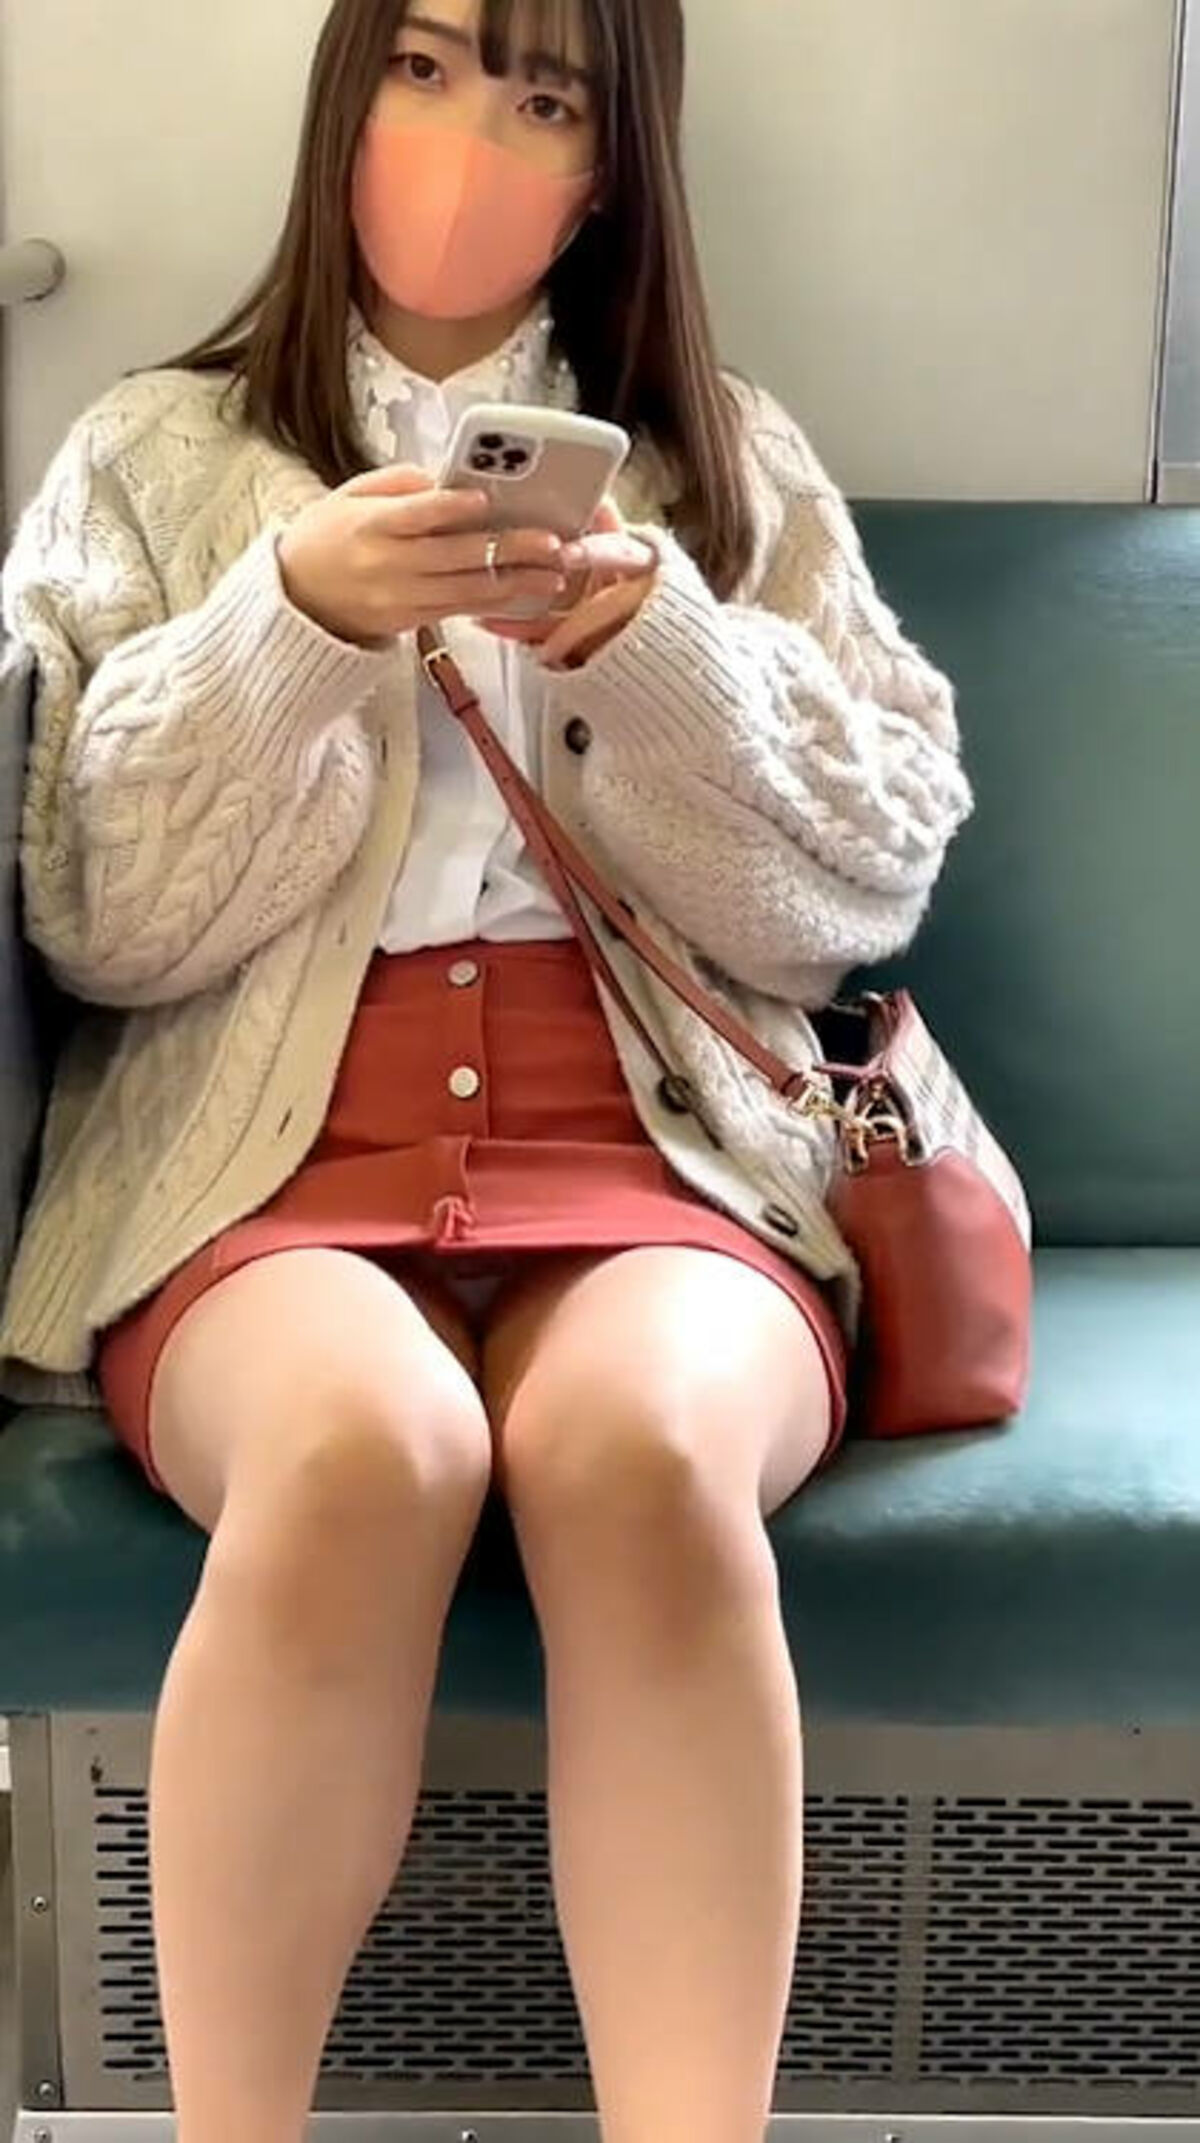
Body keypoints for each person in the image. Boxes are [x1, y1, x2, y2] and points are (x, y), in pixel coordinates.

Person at [0, 1, 973, 2137]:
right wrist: (291, 622)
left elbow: (875, 871)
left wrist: (661, 650)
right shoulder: (152, 457)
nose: (471, 138)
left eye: (544, 98)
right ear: (347, 89)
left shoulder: (722, 455)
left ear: (609, 166)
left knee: (647, 1462)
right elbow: (90, 912)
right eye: (426, 67)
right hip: (264, 1165)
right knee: (362, 1454)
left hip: (664, 1153)